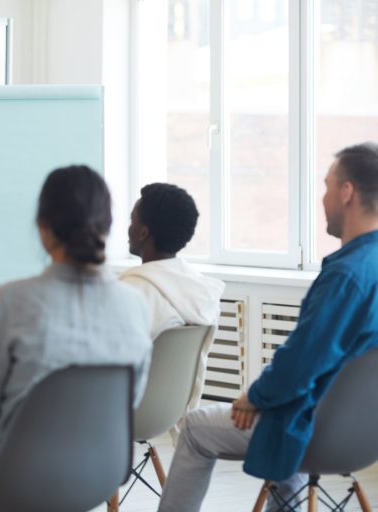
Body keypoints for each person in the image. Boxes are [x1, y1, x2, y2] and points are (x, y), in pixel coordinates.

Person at [157, 142, 378, 512]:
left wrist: (254, 397)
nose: (322, 199)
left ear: (346, 192)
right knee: (288, 404)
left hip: (316, 428)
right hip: (364, 434)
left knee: (195, 427)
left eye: (326, 186)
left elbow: (300, 361)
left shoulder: (346, 275)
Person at [0, 165, 153, 512]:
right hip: (96, 472)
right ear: (109, 226)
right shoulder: (135, 304)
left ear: (43, 231)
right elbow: (130, 399)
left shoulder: (16, 300)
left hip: (12, 476)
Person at [120, 183, 224, 437]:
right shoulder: (200, 291)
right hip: (169, 414)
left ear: (143, 232)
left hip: (119, 414)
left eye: (132, 219)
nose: (128, 227)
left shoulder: (132, 292)